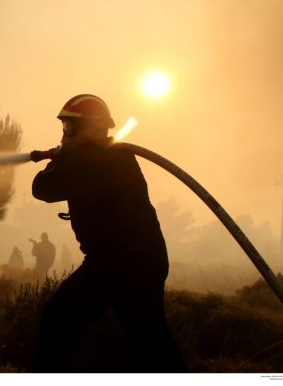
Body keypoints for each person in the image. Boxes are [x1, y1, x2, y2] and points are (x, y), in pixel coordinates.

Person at [31, 94, 187, 373]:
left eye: (69, 127)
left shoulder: (97, 160)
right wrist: (67, 154)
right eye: (64, 127)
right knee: (151, 341)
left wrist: (58, 158)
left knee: (58, 318)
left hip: (118, 262)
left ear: (91, 127)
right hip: (139, 260)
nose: (64, 134)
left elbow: (43, 188)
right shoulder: (110, 156)